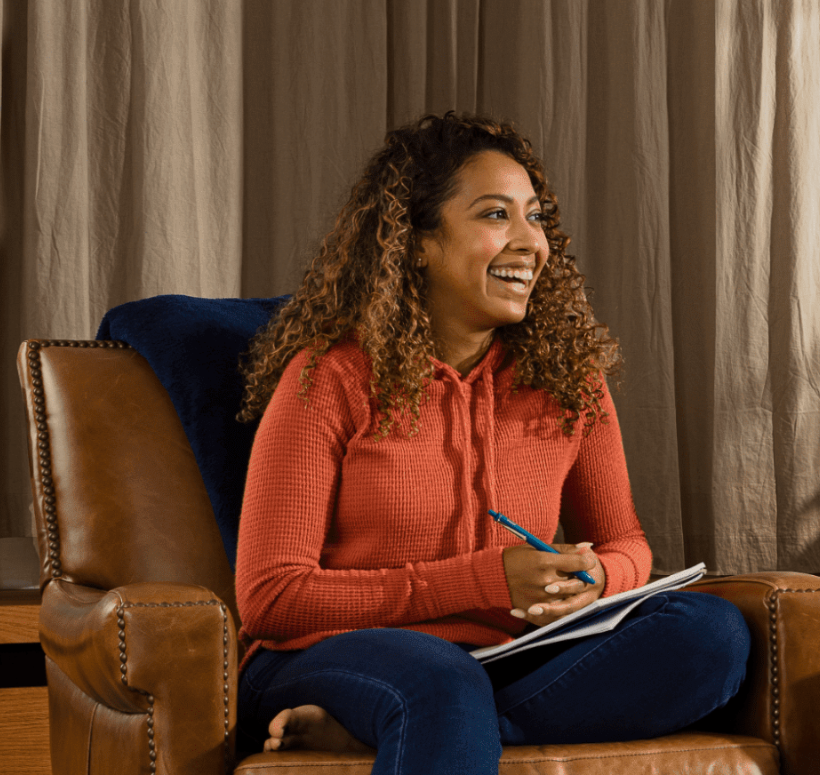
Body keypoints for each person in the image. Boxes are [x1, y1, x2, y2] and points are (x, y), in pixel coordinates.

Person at [233, 112, 749, 773]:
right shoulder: (329, 376)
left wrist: (596, 578)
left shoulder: (569, 380)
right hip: (328, 651)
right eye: (495, 215)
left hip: (504, 658)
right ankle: (429, 711)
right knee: (439, 681)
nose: (531, 241)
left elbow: (628, 543)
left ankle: (410, 729)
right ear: (417, 242)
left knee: (711, 635)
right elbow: (273, 596)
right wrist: (484, 578)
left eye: (535, 217)